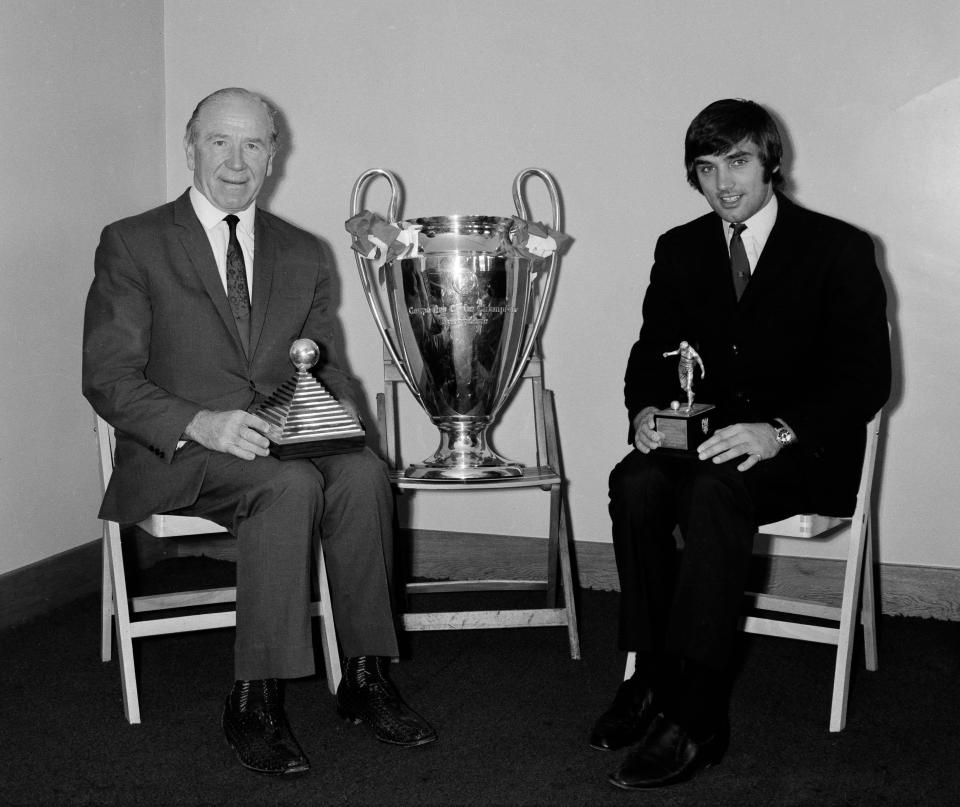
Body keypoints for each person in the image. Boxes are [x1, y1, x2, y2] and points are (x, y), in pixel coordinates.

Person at [83, 87, 436, 778]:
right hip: (181, 450)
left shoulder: (303, 252)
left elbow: (323, 370)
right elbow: (108, 376)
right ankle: (256, 699)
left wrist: (341, 428)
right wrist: (201, 423)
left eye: (253, 145)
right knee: (288, 484)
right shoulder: (134, 241)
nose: (236, 161)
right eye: (220, 141)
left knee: (362, 471)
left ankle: (365, 676)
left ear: (273, 157)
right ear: (192, 147)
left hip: (278, 443)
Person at [590, 99, 890, 790]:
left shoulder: (838, 247)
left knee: (709, 490)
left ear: (770, 162)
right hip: (706, 444)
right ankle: (654, 672)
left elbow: (866, 376)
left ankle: (697, 713)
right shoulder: (681, 246)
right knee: (633, 479)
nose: (723, 183)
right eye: (706, 168)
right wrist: (643, 408)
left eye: (738, 162)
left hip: (800, 451)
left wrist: (779, 430)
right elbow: (650, 353)